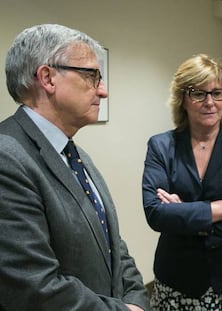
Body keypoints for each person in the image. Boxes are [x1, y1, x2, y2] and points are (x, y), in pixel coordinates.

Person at [0, 24, 150, 311]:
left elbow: (113, 243)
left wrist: (136, 300)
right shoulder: (7, 159)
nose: (103, 91)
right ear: (47, 78)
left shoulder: (75, 154)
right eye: (91, 75)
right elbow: (34, 288)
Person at [142, 53, 222, 310]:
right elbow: (156, 214)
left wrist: (185, 217)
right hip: (177, 280)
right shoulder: (161, 146)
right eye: (198, 93)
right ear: (183, 99)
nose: (210, 102)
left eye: (217, 93)